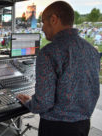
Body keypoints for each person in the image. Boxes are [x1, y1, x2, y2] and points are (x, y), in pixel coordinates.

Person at [17, 1, 100, 136]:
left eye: (43, 22)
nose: (42, 28)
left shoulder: (49, 52)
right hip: (83, 125)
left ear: (54, 19)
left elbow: (44, 103)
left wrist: (29, 102)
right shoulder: (91, 50)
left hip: (56, 128)